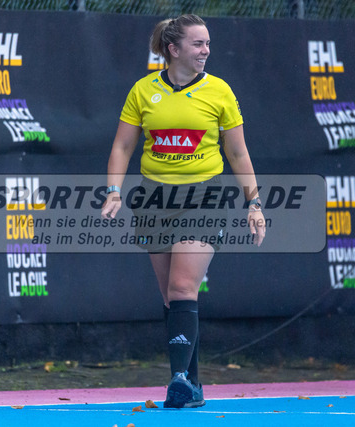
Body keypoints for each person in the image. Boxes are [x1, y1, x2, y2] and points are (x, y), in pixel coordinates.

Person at [101, 14, 266, 409]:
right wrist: (113, 192)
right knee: (170, 296)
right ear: (173, 49)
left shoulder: (219, 91)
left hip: (204, 197)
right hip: (155, 199)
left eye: (207, 43)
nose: (206, 50)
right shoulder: (143, 91)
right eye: (198, 44)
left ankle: (177, 380)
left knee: (182, 288)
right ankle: (191, 384)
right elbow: (122, 147)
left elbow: (237, 152)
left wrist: (254, 203)